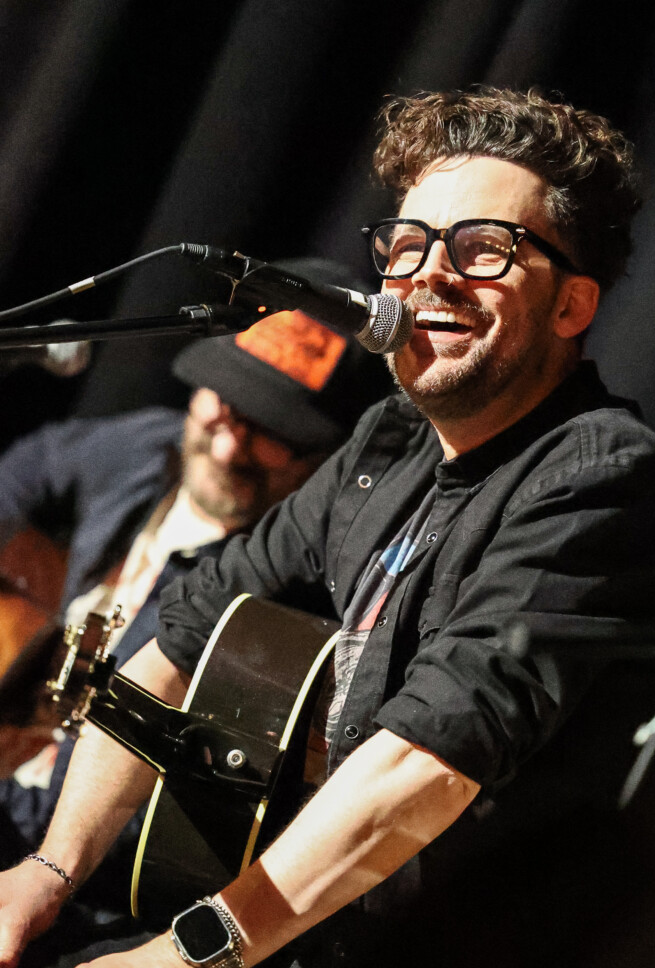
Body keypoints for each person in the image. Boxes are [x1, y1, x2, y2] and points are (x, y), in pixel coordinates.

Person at [0, 88, 655, 968]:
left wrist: (192, 953)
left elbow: (425, 764)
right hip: (283, 934)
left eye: (484, 249)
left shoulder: (597, 478)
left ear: (571, 305)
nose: (429, 275)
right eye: (408, 245)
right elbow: (183, 634)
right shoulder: (388, 443)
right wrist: (51, 869)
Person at [0, 255, 390, 861]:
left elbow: (120, 823)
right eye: (226, 406)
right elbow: (24, 470)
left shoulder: (278, 607)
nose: (229, 447)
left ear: (327, 457)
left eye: (271, 431)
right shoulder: (150, 448)